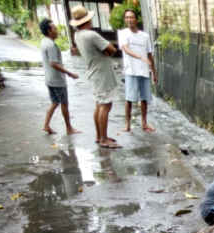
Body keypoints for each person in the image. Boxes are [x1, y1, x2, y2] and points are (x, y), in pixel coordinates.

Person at [70, 6, 120, 149]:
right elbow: (111, 50)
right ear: (87, 20)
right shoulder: (91, 35)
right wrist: (108, 46)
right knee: (105, 105)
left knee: (99, 104)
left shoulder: (77, 35)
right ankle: (104, 139)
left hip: (94, 72)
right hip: (102, 74)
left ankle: (99, 136)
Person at [118, 9, 158, 133]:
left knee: (144, 99)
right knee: (129, 99)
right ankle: (127, 124)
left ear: (136, 19)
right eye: (127, 17)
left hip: (144, 71)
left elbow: (149, 54)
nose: (129, 20)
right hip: (131, 71)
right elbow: (125, 48)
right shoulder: (123, 33)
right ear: (125, 20)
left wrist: (154, 72)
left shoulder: (144, 36)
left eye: (131, 17)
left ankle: (144, 123)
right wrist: (140, 57)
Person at [39, 19, 80, 135]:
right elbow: (53, 63)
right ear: (49, 31)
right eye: (55, 28)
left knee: (55, 103)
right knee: (63, 104)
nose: (57, 30)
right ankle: (69, 128)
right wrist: (69, 73)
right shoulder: (51, 45)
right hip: (57, 80)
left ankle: (46, 125)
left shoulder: (44, 42)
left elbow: (52, 61)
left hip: (50, 79)